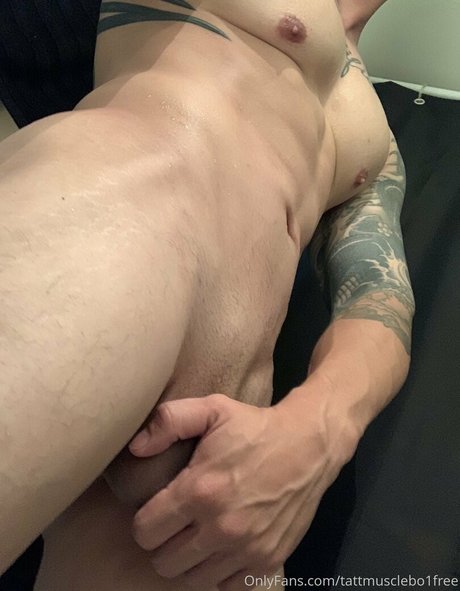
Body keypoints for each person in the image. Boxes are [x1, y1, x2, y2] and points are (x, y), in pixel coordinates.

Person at [0, 0, 415, 589]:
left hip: (229, 401)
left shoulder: (375, 134)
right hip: (120, 220)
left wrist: (318, 428)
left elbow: (380, 296)